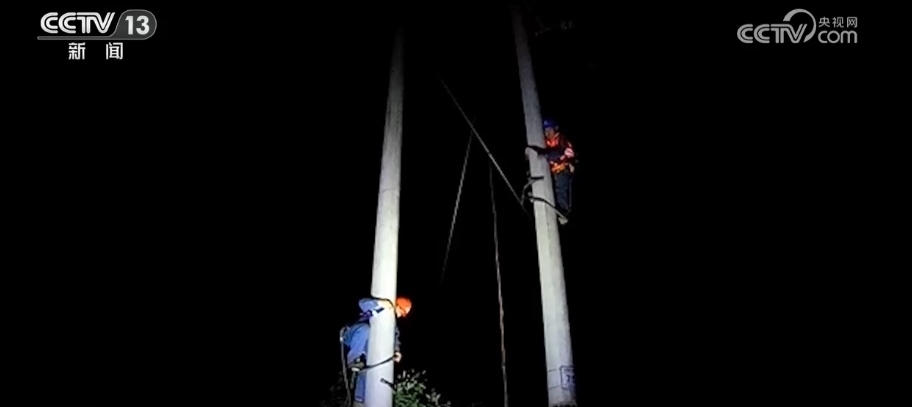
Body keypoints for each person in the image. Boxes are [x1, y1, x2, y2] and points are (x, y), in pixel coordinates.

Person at [341, 296, 412, 407]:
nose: (399, 316)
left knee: (367, 368)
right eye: (401, 312)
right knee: (365, 329)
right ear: (397, 306)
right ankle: (353, 360)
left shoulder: (392, 324)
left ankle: (359, 400)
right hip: (353, 334)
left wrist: (397, 351)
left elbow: (395, 336)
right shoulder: (382, 308)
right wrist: (380, 303)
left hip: (365, 346)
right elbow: (362, 303)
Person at [527, 118, 576, 224]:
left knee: (561, 188)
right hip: (553, 173)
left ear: (555, 129)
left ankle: (563, 211)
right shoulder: (545, 142)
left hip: (563, 170)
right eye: (545, 130)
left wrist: (548, 154)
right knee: (550, 185)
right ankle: (535, 191)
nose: (547, 133)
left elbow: (566, 152)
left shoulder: (561, 139)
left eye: (550, 129)